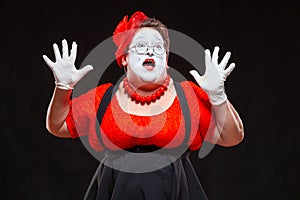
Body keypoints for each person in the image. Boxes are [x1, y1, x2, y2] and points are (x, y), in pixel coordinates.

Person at [43, 11, 244, 200]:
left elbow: (232, 137)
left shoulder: (187, 96)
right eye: (140, 46)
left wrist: (218, 96)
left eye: (158, 47)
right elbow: (58, 126)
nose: (150, 50)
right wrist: (63, 88)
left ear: (166, 60)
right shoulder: (102, 98)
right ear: (124, 58)